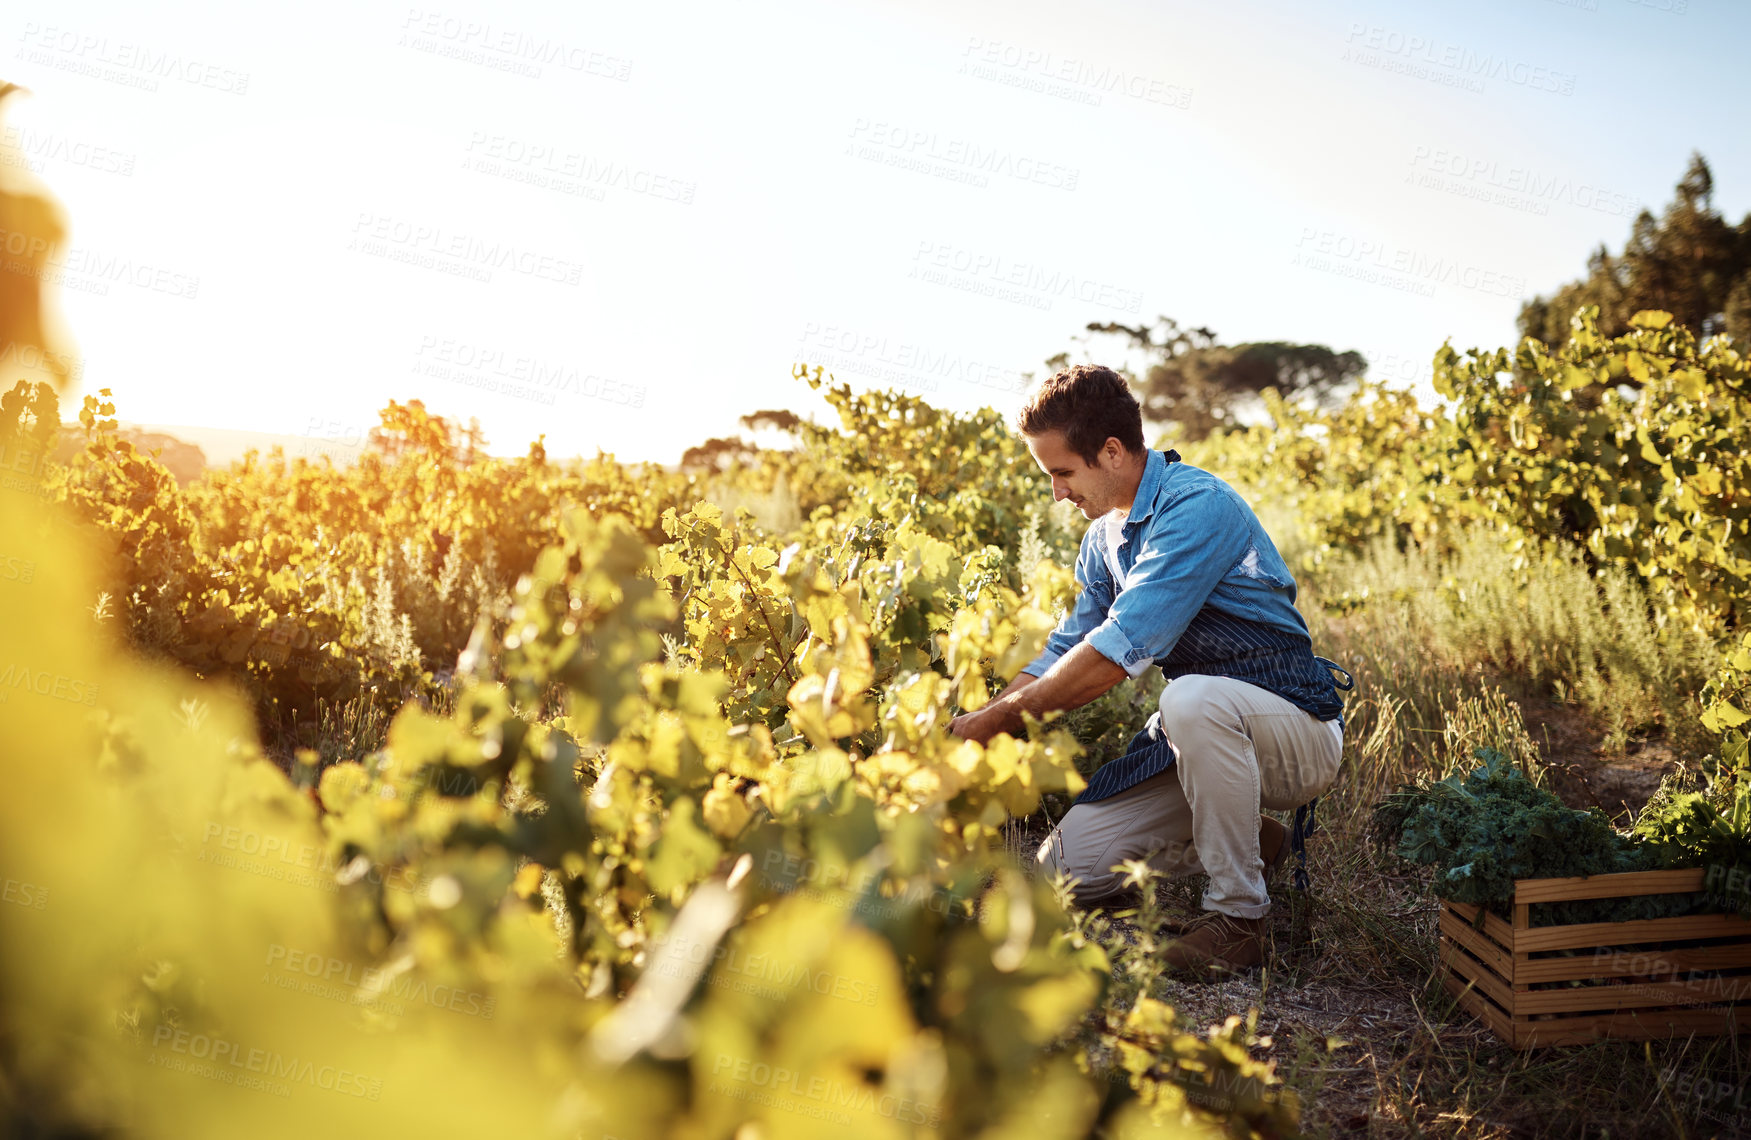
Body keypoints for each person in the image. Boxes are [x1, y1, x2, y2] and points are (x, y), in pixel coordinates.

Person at [947, 364, 1349, 976]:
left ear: (1111, 452)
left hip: (1294, 729)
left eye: (1062, 472)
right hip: (1210, 739)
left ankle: (1241, 918)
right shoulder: (1104, 539)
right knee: (1063, 873)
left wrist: (999, 721)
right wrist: (982, 719)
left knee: (1188, 700)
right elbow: (1064, 649)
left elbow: (1115, 654)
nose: (1056, 492)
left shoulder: (1196, 508)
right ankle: (1256, 841)